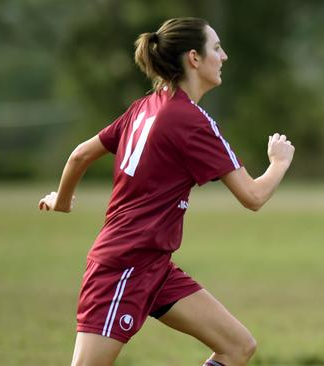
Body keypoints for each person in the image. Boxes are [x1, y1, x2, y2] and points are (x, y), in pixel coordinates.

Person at [38, 17, 294, 366]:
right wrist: (278, 163)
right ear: (194, 58)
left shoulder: (145, 106)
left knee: (237, 346)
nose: (225, 56)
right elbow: (253, 196)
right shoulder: (192, 122)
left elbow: (80, 154)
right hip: (124, 265)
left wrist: (63, 201)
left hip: (155, 265)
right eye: (216, 48)